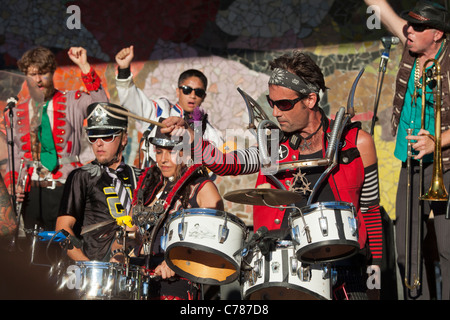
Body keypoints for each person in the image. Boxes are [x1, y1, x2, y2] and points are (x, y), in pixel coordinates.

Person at [162, 50, 384, 300]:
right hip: (290, 272)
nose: (276, 112)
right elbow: (226, 164)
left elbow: (371, 212)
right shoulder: (273, 148)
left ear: (310, 99)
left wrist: (374, 282)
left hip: (347, 271)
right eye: (272, 103)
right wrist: (191, 137)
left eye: (284, 104)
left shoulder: (357, 142)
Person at [364, 0, 450, 300]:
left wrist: (437, 141)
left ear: (437, 34)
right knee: (406, 252)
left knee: (447, 248)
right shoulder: (412, 44)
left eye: (419, 26)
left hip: (446, 165)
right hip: (411, 163)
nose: (409, 30)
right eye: (410, 24)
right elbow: (380, 7)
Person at [4, 46, 108, 234]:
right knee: (31, 249)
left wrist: (84, 66)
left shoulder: (73, 101)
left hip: (65, 188)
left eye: (43, 73)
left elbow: (102, 108)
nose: (37, 80)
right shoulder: (16, 112)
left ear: (52, 73)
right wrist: (12, 183)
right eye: (32, 74)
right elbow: (14, 156)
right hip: (31, 192)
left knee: (63, 245)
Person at [131, 120, 223, 300]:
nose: (163, 159)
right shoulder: (150, 187)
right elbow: (129, 233)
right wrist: (120, 250)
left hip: (178, 284)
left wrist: (177, 262)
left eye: (172, 151)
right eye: (158, 151)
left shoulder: (203, 188)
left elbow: (214, 242)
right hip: (139, 281)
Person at [56, 102, 140, 263]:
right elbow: (62, 229)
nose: (98, 143)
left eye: (107, 136)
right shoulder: (81, 176)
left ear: (123, 138)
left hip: (134, 268)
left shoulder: (140, 177)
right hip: (93, 266)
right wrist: (88, 267)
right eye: (93, 136)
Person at [114, 45, 223, 166]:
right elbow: (132, 100)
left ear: (204, 97)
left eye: (198, 92)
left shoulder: (209, 131)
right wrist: (124, 69)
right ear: (178, 91)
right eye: (187, 90)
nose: (192, 95)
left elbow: (218, 162)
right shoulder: (161, 110)